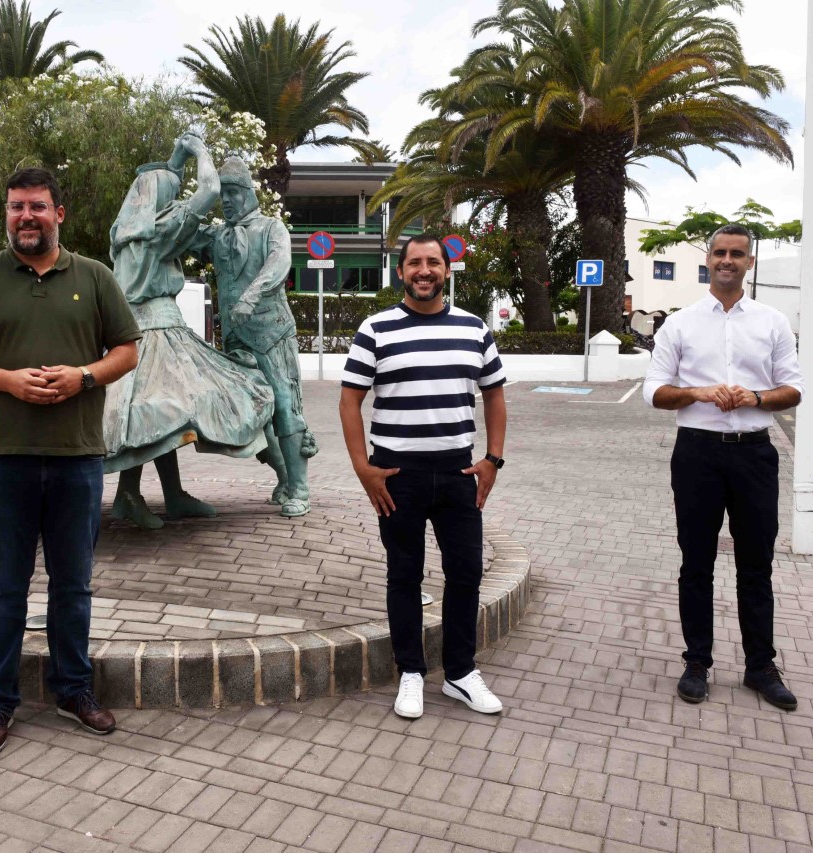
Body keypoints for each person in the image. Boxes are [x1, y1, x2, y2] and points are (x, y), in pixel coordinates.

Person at [0, 167, 142, 754]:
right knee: (4, 589)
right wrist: (7, 382)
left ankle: (74, 690)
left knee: (74, 586)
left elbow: (125, 350)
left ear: (59, 214)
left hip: (77, 458)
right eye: (16, 207)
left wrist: (83, 376)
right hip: (2, 460)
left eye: (38, 207)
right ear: (7, 213)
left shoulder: (95, 278)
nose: (26, 216)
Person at [339, 234, 508, 720]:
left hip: (458, 473)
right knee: (404, 575)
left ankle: (459, 673)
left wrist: (492, 460)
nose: (424, 270)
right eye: (415, 263)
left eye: (433, 261)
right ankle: (410, 672)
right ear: (401, 272)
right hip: (398, 476)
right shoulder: (375, 329)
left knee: (466, 574)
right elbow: (351, 400)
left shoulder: (475, 329)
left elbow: (494, 396)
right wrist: (362, 468)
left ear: (446, 270)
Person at [643, 222, 804, 712]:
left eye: (737, 253)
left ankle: (760, 667)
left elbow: (792, 388)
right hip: (697, 454)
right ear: (708, 259)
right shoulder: (681, 324)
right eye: (719, 253)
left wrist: (754, 396)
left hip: (755, 452)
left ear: (749, 262)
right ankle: (697, 662)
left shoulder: (772, 322)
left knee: (757, 564)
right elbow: (655, 390)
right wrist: (697, 391)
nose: (727, 260)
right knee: (696, 562)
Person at [102, 135, 277, 529]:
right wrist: (198, 151)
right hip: (158, 332)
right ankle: (131, 495)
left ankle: (169, 494)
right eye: (170, 192)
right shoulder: (157, 231)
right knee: (168, 410)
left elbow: (167, 184)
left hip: (141, 330)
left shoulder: (126, 235)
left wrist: (174, 157)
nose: (175, 196)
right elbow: (210, 189)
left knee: (160, 414)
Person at [190, 157, 315, 517]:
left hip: (273, 334)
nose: (226, 201)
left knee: (285, 409)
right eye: (222, 194)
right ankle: (284, 478)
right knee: (251, 413)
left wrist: (251, 294)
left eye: (231, 193)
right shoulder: (218, 235)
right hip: (235, 340)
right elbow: (181, 237)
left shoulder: (271, 227)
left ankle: (300, 487)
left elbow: (279, 265)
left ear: (247, 192)